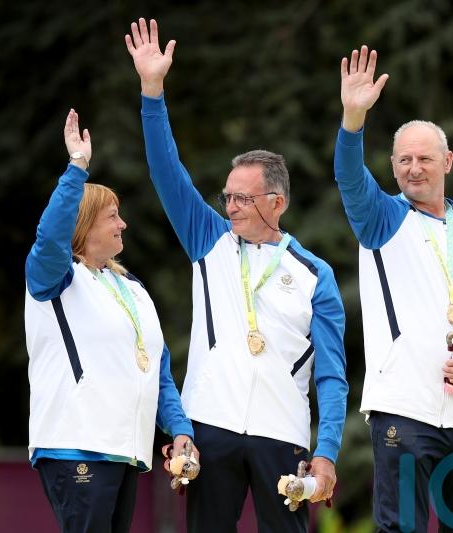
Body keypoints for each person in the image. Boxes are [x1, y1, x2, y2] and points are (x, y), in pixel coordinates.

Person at [125, 18, 348, 533]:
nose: (230, 206)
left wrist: (328, 449)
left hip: (282, 430)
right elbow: (166, 171)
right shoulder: (209, 240)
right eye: (227, 196)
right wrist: (152, 91)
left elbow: (333, 374)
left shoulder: (316, 275)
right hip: (212, 424)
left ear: (278, 201)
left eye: (243, 198)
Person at [335, 45, 453, 532]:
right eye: (403, 160)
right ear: (393, 166)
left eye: (424, 158)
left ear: (448, 161)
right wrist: (353, 120)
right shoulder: (382, 219)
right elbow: (351, 180)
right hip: (405, 405)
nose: (413, 168)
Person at [25, 109, 195, 533]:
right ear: (84, 225)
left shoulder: (131, 288)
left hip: (123, 450)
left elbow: (156, 371)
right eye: (112, 216)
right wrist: (77, 169)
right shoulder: (57, 278)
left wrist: (179, 430)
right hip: (76, 445)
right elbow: (49, 240)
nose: (123, 223)